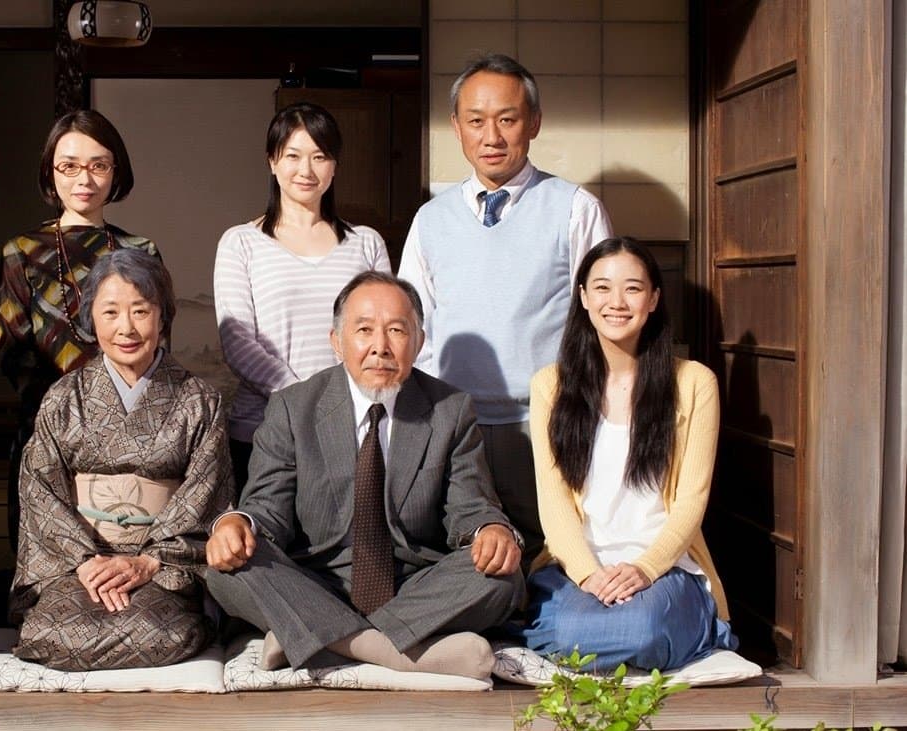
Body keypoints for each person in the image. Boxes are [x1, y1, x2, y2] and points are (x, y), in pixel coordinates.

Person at [205, 271, 523, 680]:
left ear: (419, 342)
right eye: (364, 330)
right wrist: (236, 523)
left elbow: (472, 506)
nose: (380, 347)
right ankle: (394, 652)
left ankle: (317, 639)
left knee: (503, 575)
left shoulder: (450, 410)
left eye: (396, 330)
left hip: (415, 585)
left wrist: (490, 530)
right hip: (316, 581)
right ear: (337, 341)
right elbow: (266, 509)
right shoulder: (293, 407)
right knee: (226, 566)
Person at [397, 53, 614, 562]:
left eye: (507, 119)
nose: (491, 136)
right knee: (466, 554)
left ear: (533, 123)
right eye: (476, 121)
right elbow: (414, 326)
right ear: (456, 128)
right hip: (456, 425)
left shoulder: (575, 209)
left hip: (545, 421)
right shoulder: (431, 219)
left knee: (552, 554)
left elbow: (603, 325)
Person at [9, 249, 232, 671]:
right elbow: (40, 490)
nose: (126, 328)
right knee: (51, 633)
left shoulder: (199, 401)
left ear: (163, 317)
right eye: (110, 312)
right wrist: (86, 561)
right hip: (79, 564)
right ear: (91, 319)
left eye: (140, 311)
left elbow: (207, 494)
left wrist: (149, 561)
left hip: (159, 565)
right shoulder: (63, 398)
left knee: (161, 633)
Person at [522, 238, 737, 671]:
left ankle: (685, 624)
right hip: (579, 567)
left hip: (664, 566)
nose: (616, 302)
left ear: (654, 298)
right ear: (582, 296)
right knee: (570, 634)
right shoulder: (551, 385)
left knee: (641, 633)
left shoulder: (694, 383)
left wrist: (644, 569)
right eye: (602, 288)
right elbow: (554, 502)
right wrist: (588, 574)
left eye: (633, 289)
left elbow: (692, 501)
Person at [0, 109, 159, 549]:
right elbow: (14, 352)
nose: (83, 179)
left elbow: (154, 345)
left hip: (128, 434)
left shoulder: (140, 251)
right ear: (51, 173)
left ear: (115, 171)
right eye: (68, 166)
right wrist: (67, 417)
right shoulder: (22, 252)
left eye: (98, 165)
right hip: (45, 432)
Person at [214, 102, 391, 489]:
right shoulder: (241, 243)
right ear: (272, 162)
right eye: (292, 156)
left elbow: (385, 332)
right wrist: (306, 401)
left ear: (335, 166)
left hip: (353, 429)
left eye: (320, 156)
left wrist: (339, 410)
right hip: (264, 430)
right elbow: (237, 340)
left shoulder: (366, 243)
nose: (306, 170)